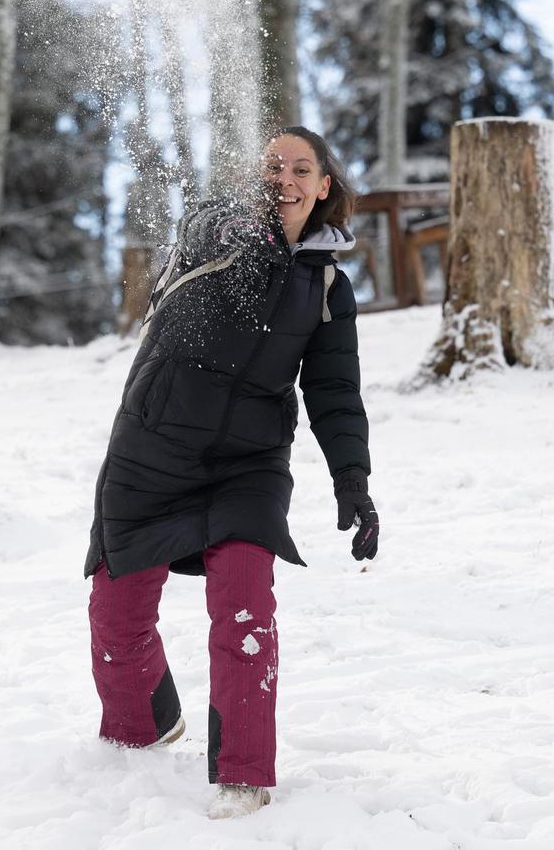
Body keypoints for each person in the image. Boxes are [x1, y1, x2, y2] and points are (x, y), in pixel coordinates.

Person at [85, 126, 378, 820]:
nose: (286, 178)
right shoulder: (218, 227)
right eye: (273, 165)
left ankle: (245, 773)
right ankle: (138, 731)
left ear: (324, 186)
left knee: (245, 609)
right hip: (150, 445)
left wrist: (354, 485)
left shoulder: (329, 286)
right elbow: (199, 224)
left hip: (245, 465)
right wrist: (242, 236)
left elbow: (335, 396)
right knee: (115, 614)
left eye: (302, 168)